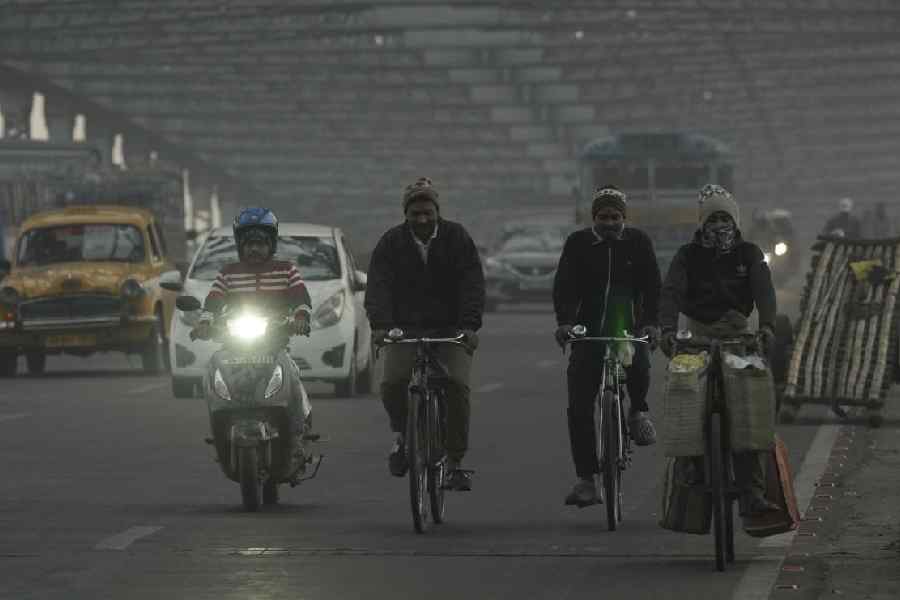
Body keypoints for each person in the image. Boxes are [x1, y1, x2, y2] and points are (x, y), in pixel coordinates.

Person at [659, 184, 779, 515]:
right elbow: (670, 293)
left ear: (736, 221)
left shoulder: (750, 254)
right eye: (713, 218)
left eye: (725, 217)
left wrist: (767, 326)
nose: (719, 225)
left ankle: (752, 490)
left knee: (750, 405)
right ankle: (690, 466)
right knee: (683, 392)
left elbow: (765, 293)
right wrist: (667, 330)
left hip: (739, 337)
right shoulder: (686, 256)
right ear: (702, 223)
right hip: (695, 338)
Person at [365, 177, 485, 491]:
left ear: (437, 211)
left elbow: (472, 283)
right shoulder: (391, 243)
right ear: (406, 214)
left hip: (450, 330)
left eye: (427, 212)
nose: (422, 219)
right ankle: (404, 435)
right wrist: (380, 326)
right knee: (392, 382)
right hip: (404, 330)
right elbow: (378, 286)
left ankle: (455, 461)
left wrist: (469, 326)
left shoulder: (456, 237)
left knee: (457, 384)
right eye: (415, 213)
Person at [552, 185, 662, 507]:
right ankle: (586, 479)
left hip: (627, 324)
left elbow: (653, 285)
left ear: (624, 218)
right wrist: (564, 322)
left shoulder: (639, 242)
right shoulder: (578, 243)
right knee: (579, 403)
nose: (610, 223)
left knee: (640, 364)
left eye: (615, 217)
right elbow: (565, 286)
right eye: (603, 217)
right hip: (589, 330)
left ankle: (638, 411)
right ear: (593, 218)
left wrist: (652, 323)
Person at [192, 207, 314, 455]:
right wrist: (205, 322)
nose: (254, 249)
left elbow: (301, 296)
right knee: (215, 369)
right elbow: (213, 300)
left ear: (271, 245)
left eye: (260, 243)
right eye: (249, 244)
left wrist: (301, 316)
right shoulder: (228, 273)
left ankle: (299, 432)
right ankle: (221, 427)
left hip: (275, 343)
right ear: (240, 246)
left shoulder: (286, 270)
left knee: (291, 374)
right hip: (234, 343)